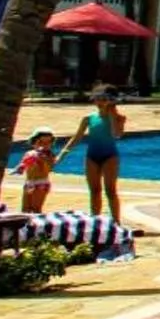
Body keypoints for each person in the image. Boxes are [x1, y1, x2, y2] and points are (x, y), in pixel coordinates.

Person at [61, 88, 127, 225]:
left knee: (111, 191)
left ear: (111, 101)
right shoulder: (88, 118)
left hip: (110, 156)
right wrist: (62, 154)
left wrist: (112, 115)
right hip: (92, 156)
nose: (99, 102)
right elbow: (77, 137)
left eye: (104, 99)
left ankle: (116, 222)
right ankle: (95, 221)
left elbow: (117, 135)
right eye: (97, 99)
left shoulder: (119, 118)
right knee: (94, 190)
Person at [15, 129, 57, 215]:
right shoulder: (29, 153)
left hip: (40, 183)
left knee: (36, 209)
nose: (44, 145)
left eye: (48, 143)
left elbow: (49, 168)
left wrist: (43, 159)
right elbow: (24, 163)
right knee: (25, 209)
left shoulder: (50, 155)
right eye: (41, 142)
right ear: (34, 142)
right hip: (29, 183)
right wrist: (20, 168)